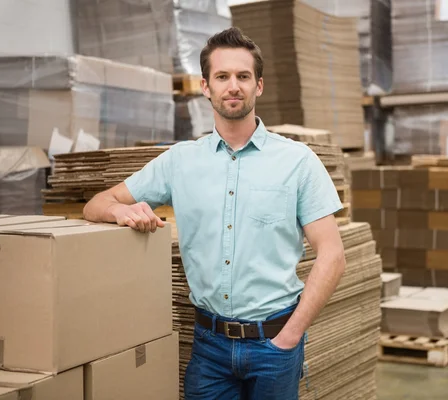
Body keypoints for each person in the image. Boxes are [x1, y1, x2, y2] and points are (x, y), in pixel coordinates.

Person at [83, 26, 346, 400]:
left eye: (243, 76)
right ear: (206, 86)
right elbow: (95, 203)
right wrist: (121, 213)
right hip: (209, 348)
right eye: (222, 76)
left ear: (259, 86)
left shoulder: (298, 161)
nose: (233, 86)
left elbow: (333, 256)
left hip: (275, 344)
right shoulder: (180, 161)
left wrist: (290, 336)